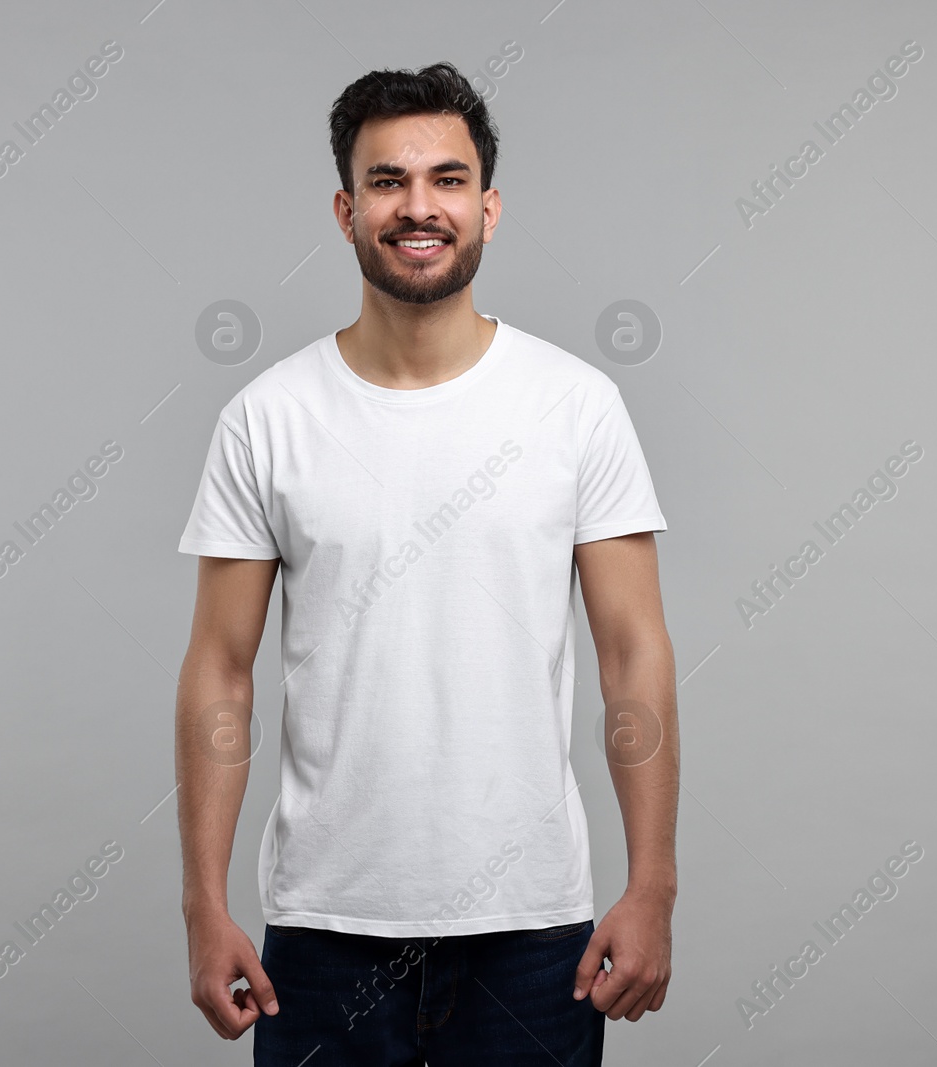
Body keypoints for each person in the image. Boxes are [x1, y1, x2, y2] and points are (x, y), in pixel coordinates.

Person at [175, 61, 678, 1066]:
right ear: (345, 207)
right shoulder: (268, 419)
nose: (419, 206)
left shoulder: (575, 407)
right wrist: (203, 902)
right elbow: (219, 670)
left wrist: (652, 885)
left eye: (447, 179)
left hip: (535, 932)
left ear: (487, 205)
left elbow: (633, 654)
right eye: (387, 181)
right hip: (322, 934)